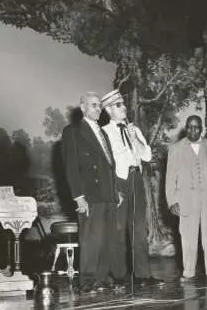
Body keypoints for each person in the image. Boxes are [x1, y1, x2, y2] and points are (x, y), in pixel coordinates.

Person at [101, 89, 164, 287]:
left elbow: (146, 156)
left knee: (139, 230)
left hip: (136, 179)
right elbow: (105, 165)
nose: (124, 107)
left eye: (123, 103)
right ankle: (119, 276)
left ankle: (143, 275)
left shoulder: (134, 129)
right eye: (118, 105)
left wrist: (134, 138)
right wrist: (112, 189)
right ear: (109, 110)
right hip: (118, 182)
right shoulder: (104, 132)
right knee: (118, 230)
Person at [61, 92, 122, 293]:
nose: (98, 109)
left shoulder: (102, 132)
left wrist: (116, 192)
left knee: (107, 238)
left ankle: (102, 278)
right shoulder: (73, 131)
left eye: (99, 106)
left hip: (108, 193)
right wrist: (79, 197)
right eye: (94, 105)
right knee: (91, 239)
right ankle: (87, 280)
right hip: (90, 193)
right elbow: (71, 167)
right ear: (83, 108)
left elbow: (109, 165)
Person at [165, 115, 207, 283]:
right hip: (186, 200)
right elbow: (170, 178)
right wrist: (172, 201)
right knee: (187, 237)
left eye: (196, 127)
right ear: (186, 127)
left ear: (202, 128)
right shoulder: (175, 149)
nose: (193, 131)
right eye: (190, 127)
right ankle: (189, 272)